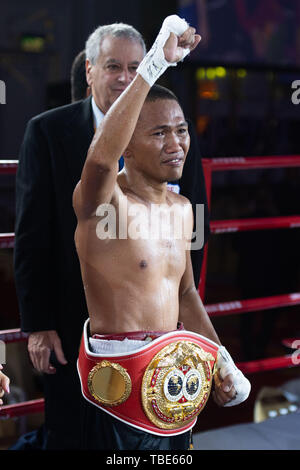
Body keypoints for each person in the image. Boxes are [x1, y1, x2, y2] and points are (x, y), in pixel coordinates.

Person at [14, 19, 208, 449]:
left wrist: (193, 331)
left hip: (162, 343)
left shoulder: (170, 129)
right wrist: (38, 323)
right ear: (89, 70)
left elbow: (196, 231)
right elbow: (31, 235)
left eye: (136, 67)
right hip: (74, 323)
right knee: (73, 434)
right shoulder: (48, 131)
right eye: (114, 67)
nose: (126, 77)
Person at [74, 15, 250, 451]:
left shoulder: (183, 209)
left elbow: (186, 295)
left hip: (175, 397)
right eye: (159, 133)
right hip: (117, 404)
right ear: (126, 147)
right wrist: (153, 64)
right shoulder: (104, 205)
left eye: (181, 130)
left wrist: (223, 363)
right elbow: (99, 162)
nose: (176, 144)